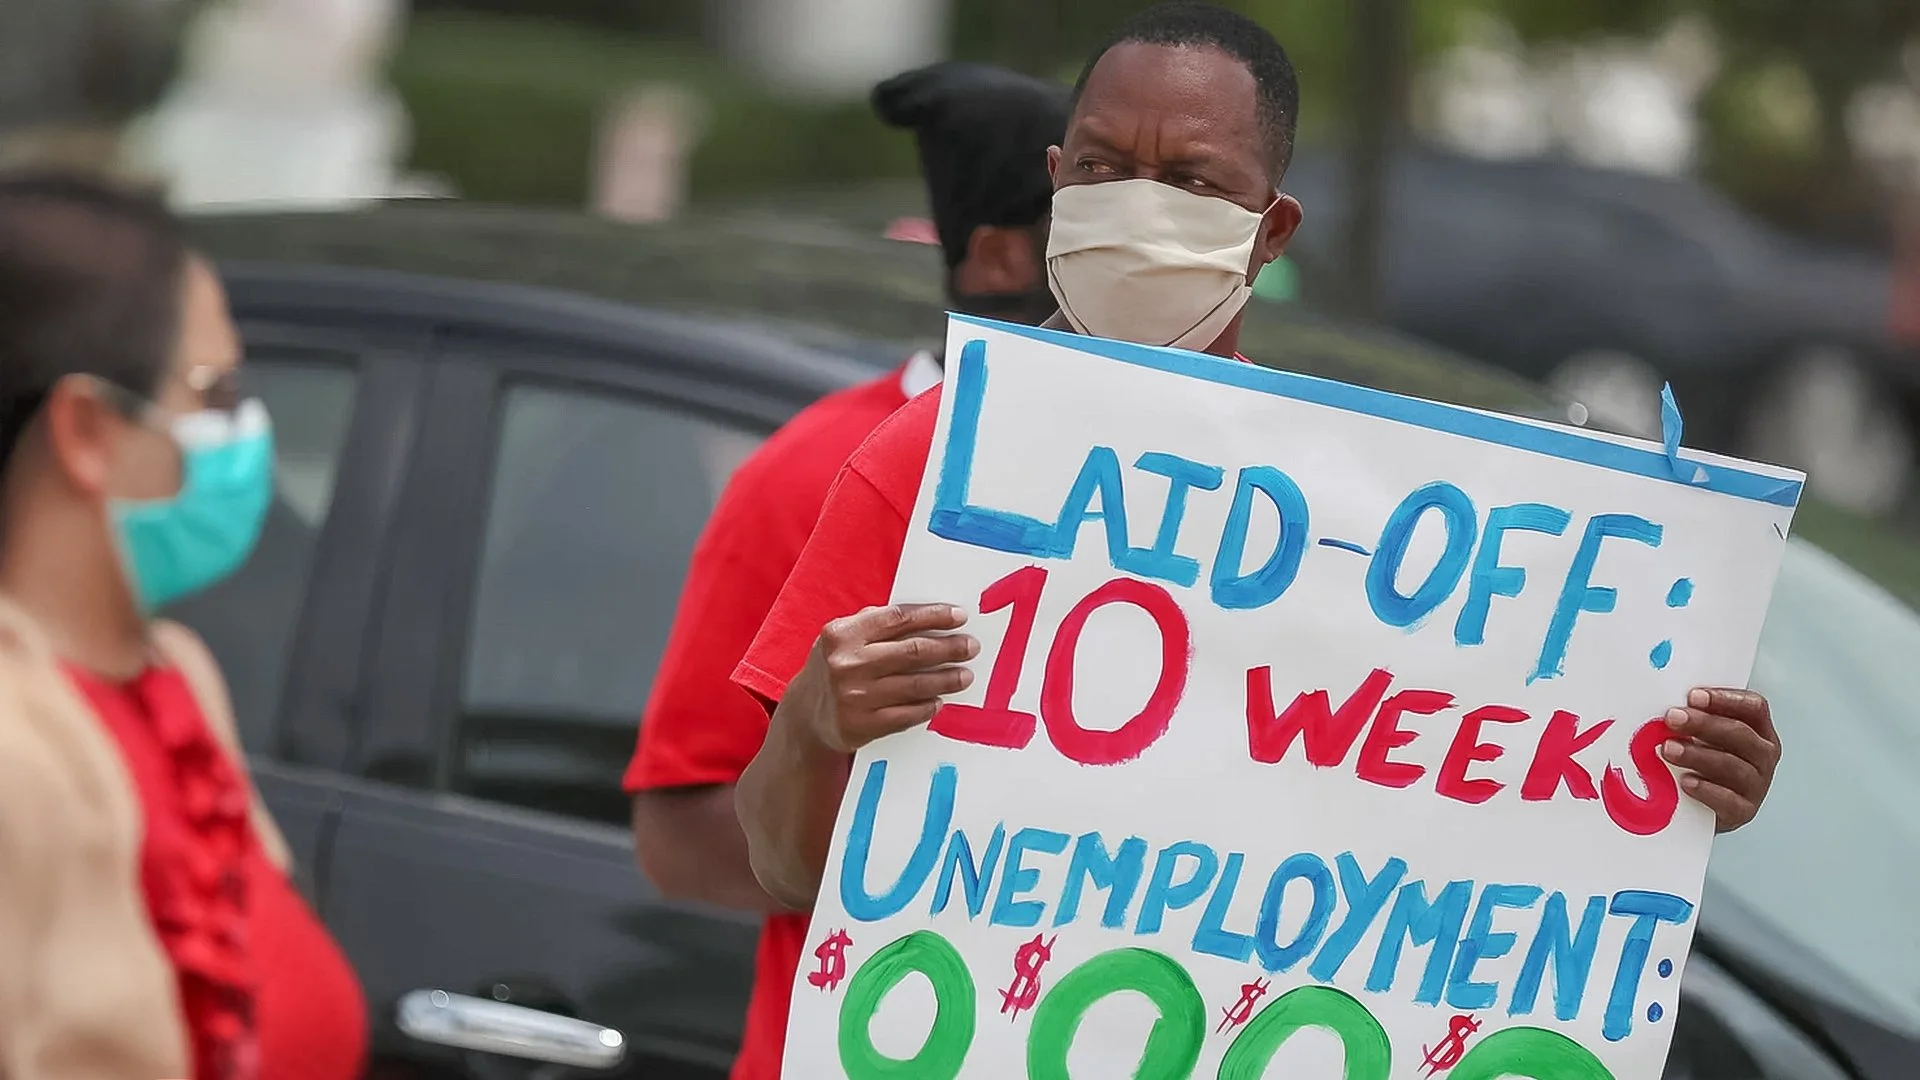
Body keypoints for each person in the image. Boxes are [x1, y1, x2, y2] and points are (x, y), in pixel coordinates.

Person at [733, 0, 1783, 917]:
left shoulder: (1366, 506)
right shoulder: (926, 459)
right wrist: (814, 728)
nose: (1137, 205)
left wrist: (1674, 788)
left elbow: (1475, 821)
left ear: (1270, 231)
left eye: (1191, 181)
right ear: (1056, 182)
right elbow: (784, 870)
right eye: (1101, 167)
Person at [621, 61, 1069, 1080]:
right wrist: (927, 863)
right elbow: (677, 836)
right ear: (999, 253)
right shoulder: (816, 472)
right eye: (1084, 212)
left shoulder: (1187, 483)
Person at [0, 172, 366, 1080]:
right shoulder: (14, 755)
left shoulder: (176, 679)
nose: (246, 429)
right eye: (215, 391)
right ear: (87, 431)